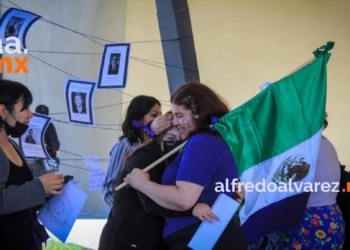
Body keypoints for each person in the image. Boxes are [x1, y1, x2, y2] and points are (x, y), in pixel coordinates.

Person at [124, 82, 248, 249]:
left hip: (202, 234)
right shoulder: (215, 139)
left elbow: (183, 199)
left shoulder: (202, 142)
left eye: (179, 115)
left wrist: (143, 184)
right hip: (208, 233)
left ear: (198, 113)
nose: (176, 121)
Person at [99, 122, 221, 249]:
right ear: (159, 136)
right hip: (128, 238)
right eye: (170, 138)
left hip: (152, 238)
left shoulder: (177, 163)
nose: (175, 143)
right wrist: (192, 209)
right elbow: (150, 203)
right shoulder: (144, 158)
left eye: (181, 140)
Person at [0, 79, 64, 249]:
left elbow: (19, 193)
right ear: (2, 110)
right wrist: (39, 187)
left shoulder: (11, 144)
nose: (30, 114)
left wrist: (48, 191)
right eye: (24, 108)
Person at [266, 114, 345, 249]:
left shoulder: (305, 148)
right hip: (330, 218)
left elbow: (279, 188)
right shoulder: (324, 143)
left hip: (308, 223)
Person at [102, 95, 173, 207]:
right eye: (154, 115)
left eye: (160, 115)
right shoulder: (125, 146)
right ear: (138, 118)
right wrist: (123, 213)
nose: (159, 119)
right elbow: (109, 189)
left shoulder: (160, 144)